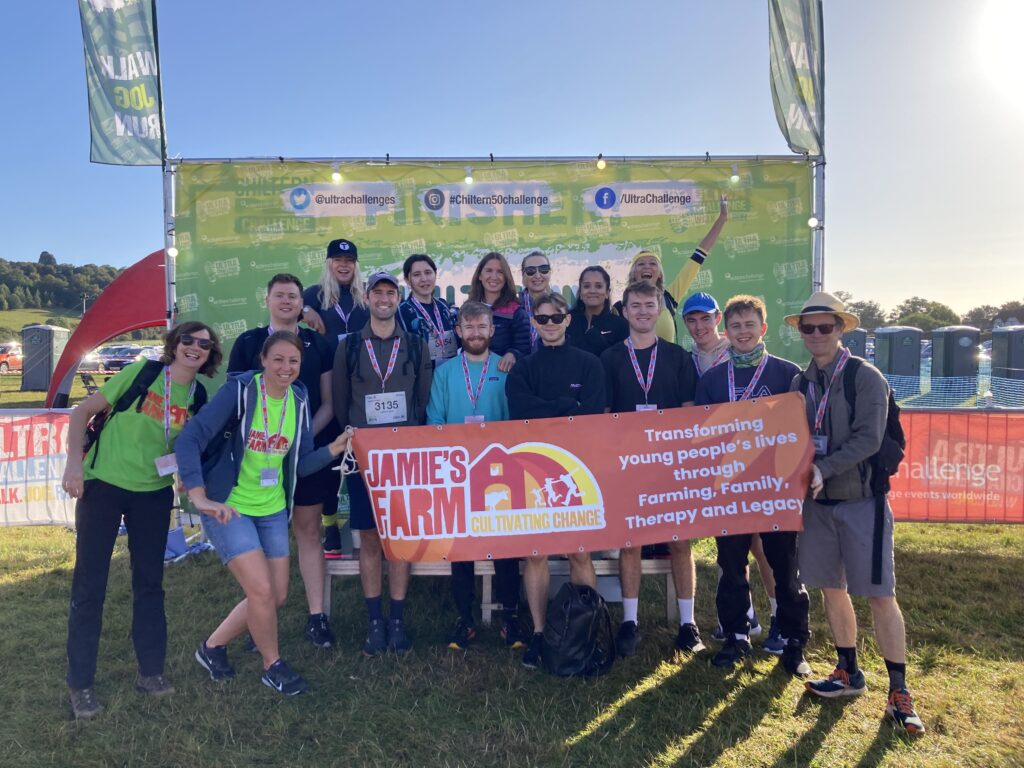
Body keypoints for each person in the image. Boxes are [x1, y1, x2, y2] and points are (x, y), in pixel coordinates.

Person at [176, 331, 353, 696]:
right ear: (263, 360)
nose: (286, 368)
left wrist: (333, 449)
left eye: (293, 361)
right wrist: (200, 497)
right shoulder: (240, 392)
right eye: (278, 360)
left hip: (272, 510)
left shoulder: (299, 400)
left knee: (276, 596)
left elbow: (301, 464)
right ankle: (273, 665)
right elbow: (190, 438)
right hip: (230, 507)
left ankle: (211, 647)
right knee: (259, 590)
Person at [62, 322, 221, 720]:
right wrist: (73, 465)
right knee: (90, 584)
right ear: (174, 343)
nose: (195, 347)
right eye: (188, 339)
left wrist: (187, 476)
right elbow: (83, 411)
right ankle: (81, 685)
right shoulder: (145, 372)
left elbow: (185, 447)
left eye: (204, 344)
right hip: (103, 486)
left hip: (152, 494)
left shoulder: (199, 395)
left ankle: (151, 672)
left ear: (209, 355)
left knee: (150, 583)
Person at [786, 292, 925, 736]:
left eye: (825, 327)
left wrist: (822, 468)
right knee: (831, 587)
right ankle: (848, 671)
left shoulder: (865, 377)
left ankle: (899, 692)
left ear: (841, 330)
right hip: (818, 504)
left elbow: (869, 438)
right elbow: (792, 441)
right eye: (808, 328)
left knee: (880, 594)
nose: (816, 335)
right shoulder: (798, 384)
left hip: (862, 500)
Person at [694, 295, 811, 676]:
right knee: (730, 565)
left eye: (750, 325)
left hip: (776, 488)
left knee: (785, 567)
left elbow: (804, 429)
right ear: (725, 333)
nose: (743, 332)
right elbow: (701, 435)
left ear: (763, 328)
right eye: (736, 327)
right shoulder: (712, 380)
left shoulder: (787, 373)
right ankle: (737, 636)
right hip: (729, 490)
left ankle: (794, 642)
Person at [228, 274, 338, 648]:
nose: (287, 301)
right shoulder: (247, 343)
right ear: (267, 299)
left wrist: (299, 439)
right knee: (254, 547)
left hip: (304, 456)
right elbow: (234, 405)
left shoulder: (318, 344)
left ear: (301, 302)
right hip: (254, 462)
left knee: (308, 532)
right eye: (280, 295)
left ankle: (317, 617)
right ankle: (256, 615)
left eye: (293, 296)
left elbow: (328, 403)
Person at [600, 282, 705, 657]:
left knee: (680, 542)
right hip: (628, 465)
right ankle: (630, 622)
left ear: (659, 310)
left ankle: (688, 624)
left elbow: (691, 413)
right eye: (635, 306)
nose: (643, 312)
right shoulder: (610, 358)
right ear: (624, 312)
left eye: (650, 305)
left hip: (669, 465)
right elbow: (606, 417)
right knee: (631, 542)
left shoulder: (678, 358)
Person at [332, 270, 433, 656]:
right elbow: (342, 400)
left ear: (397, 298)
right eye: (378, 293)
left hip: (404, 457)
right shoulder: (351, 346)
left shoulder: (417, 345)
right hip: (365, 456)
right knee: (370, 538)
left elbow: (421, 400)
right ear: (368, 298)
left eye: (391, 293)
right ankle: (375, 620)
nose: (385, 299)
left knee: (401, 540)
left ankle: (397, 620)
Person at [505, 292, 606, 669]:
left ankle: (585, 632)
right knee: (536, 554)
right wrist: (566, 407)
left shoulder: (590, 364)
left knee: (579, 552)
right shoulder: (524, 368)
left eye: (555, 318)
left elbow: (593, 415)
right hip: (533, 471)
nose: (549, 324)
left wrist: (553, 410)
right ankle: (538, 633)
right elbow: (520, 410)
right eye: (542, 318)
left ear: (568, 320)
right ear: (533, 322)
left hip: (578, 471)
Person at [425, 301, 525, 652]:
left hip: (501, 472)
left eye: (482, 326)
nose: (476, 333)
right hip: (459, 474)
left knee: (506, 547)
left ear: (492, 329)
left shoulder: (506, 367)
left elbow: (517, 422)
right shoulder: (445, 373)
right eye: (468, 327)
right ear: (458, 332)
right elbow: (435, 423)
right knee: (461, 548)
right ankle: (463, 619)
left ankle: (511, 618)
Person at [683, 290, 780, 652]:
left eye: (705, 318)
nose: (699, 326)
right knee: (731, 545)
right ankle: (742, 619)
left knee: (764, 547)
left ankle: (778, 618)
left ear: (716, 321)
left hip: (764, 469)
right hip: (723, 468)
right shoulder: (690, 359)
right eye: (692, 320)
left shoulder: (739, 352)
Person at [298, 238, 369, 555]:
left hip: (361, 386)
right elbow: (286, 301)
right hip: (326, 384)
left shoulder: (364, 296)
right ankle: (329, 525)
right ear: (328, 262)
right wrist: (304, 308)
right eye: (338, 259)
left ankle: (369, 522)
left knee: (363, 456)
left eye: (350, 260)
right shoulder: (313, 294)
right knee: (328, 453)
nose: (344, 264)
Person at [614, 196, 729, 343]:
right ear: (633, 274)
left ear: (660, 275)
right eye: (641, 264)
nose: (647, 266)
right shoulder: (619, 308)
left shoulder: (670, 297)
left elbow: (699, 256)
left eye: (653, 263)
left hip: (669, 364)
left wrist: (722, 219)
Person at [467, 252, 531, 372]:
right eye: (489, 270)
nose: (494, 276)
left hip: (502, 376)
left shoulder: (516, 312)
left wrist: (513, 354)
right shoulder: (466, 309)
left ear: (506, 277)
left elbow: (524, 348)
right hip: (470, 375)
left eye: (500, 272)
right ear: (480, 276)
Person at [397, 253, 459, 368]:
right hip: (423, 381)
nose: (424, 279)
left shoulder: (444, 307)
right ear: (407, 280)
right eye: (416, 275)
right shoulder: (402, 312)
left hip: (450, 377)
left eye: (428, 272)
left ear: (435, 274)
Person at [565, 265, 628, 357]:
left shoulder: (621, 326)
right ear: (580, 293)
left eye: (598, 286)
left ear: (607, 292)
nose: (592, 290)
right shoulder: (566, 320)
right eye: (586, 286)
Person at [519, 250, 552, 350]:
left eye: (544, 269)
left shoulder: (562, 306)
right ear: (523, 274)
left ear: (550, 273)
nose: (537, 275)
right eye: (530, 271)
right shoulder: (512, 307)